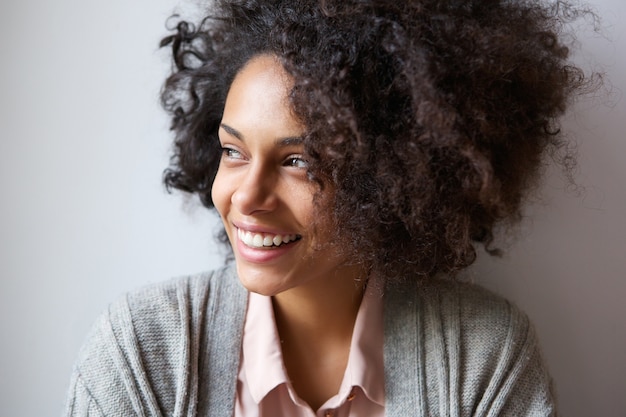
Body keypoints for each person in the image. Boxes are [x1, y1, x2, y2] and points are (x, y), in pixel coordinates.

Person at [64, 0, 593, 415]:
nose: (246, 197)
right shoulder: (139, 355)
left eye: (299, 161)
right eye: (233, 151)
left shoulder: (484, 359)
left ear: (388, 177)